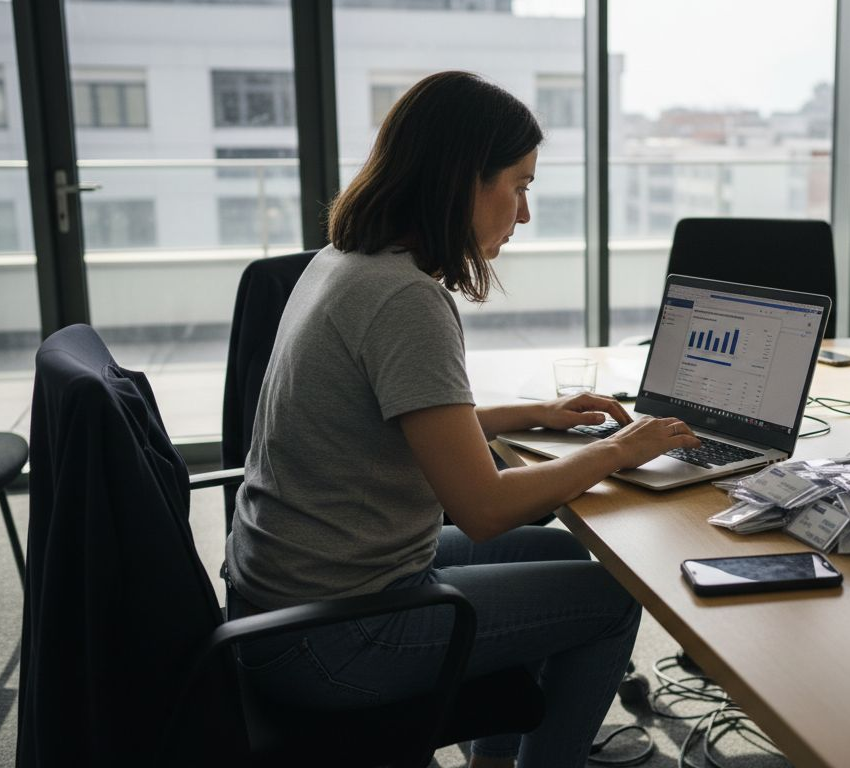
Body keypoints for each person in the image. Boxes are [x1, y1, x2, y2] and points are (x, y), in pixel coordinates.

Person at [224, 71, 699, 768]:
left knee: (568, 556)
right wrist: (619, 449)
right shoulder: (405, 299)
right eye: (520, 186)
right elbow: (483, 509)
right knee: (612, 599)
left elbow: (402, 420)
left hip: (281, 602)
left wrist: (533, 414)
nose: (524, 214)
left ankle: (492, 759)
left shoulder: (344, 260)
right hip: (331, 637)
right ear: (462, 180)